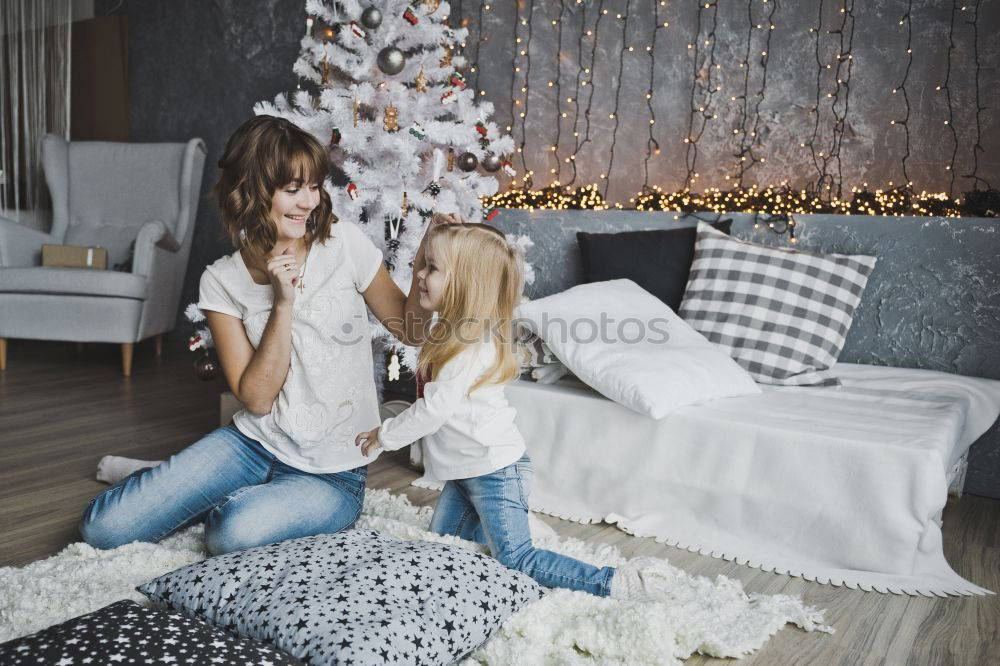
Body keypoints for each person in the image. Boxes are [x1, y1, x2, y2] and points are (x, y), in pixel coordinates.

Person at [81, 115, 443, 555]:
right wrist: (283, 304)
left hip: (332, 472)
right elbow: (256, 400)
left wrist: (429, 251)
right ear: (251, 191)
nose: (308, 201)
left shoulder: (343, 243)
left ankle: (182, 483)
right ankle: (170, 480)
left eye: (314, 186)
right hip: (252, 444)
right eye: (293, 189)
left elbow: (408, 331)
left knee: (229, 534)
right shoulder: (220, 281)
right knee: (102, 529)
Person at [356, 223, 660, 599]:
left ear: (464, 284)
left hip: (495, 472)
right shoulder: (451, 331)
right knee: (440, 546)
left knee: (516, 557)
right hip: (467, 472)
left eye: (431, 268)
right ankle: (518, 522)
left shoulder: (467, 346)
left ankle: (614, 582)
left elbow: (432, 411)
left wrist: (383, 436)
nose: (418, 273)